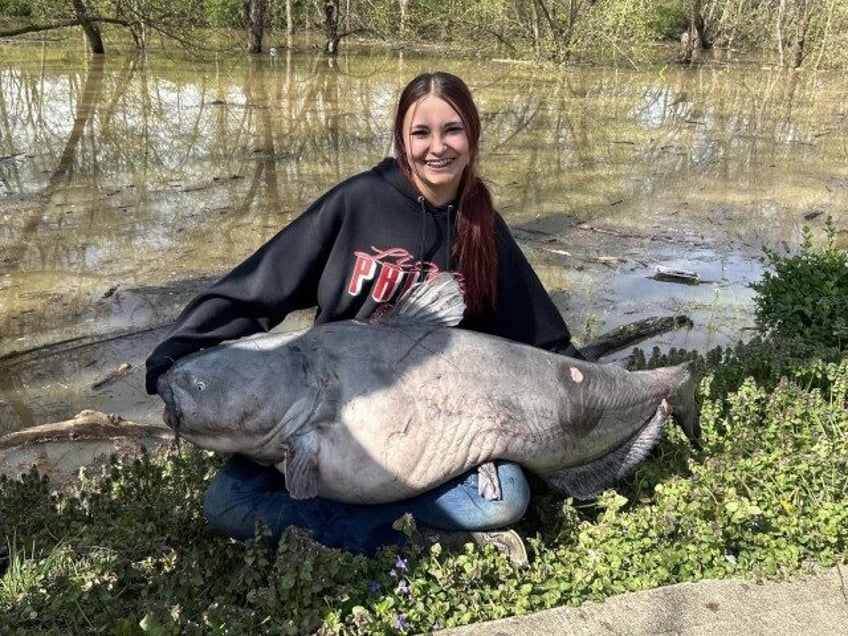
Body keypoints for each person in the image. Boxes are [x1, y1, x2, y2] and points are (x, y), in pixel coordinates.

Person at [145, 71, 583, 562]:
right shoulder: (358, 200)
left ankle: (360, 529)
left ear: (472, 136)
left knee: (504, 498)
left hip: (433, 435)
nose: (437, 147)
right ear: (402, 137)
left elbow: (540, 334)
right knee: (227, 504)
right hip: (326, 418)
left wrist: (597, 383)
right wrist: (177, 350)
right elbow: (264, 284)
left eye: (452, 130)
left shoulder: (483, 229)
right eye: (421, 133)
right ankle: (412, 537)